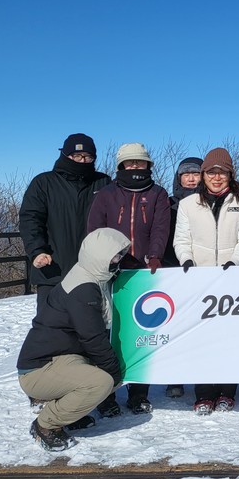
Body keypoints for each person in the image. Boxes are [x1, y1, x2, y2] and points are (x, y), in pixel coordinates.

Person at [16, 228, 131, 452]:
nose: (118, 261)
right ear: (100, 256)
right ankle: (46, 425)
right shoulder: (84, 289)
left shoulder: (88, 273)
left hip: (56, 358)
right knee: (101, 382)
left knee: (97, 372)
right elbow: (92, 337)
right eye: (115, 256)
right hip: (38, 371)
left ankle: (67, 414)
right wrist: (114, 373)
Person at [86, 142, 170, 416]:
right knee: (109, 334)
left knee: (142, 333)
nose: (135, 167)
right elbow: (95, 232)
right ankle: (106, 395)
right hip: (112, 272)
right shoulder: (106, 195)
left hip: (144, 274)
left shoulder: (157, 194)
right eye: (130, 163)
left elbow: (160, 227)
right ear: (121, 166)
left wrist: (155, 254)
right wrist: (105, 259)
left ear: (148, 165)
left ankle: (138, 394)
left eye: (140, 162)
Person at [173, 147, 239, 415]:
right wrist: (187, 261)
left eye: (222, 173)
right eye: (211, 173)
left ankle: (227, 393)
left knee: (229, 338)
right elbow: (181, 239)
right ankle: (204, 394)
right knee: (202, 339)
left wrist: (235, 261)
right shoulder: (187, 204)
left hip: (232, 279)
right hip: (200, 280)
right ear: (204, 175)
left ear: (230, 175)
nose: (216, 178)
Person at [19, 133, 111, 311]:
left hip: (92, 273)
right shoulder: (43, 183)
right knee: (51, 330)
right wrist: (37, 251)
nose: (83, 161)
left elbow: (115, 222)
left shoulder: (103, 183)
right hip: (53, 271)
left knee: (90, 330)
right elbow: (30, 220)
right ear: (65, 155)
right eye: (77, 156)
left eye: (88, 157)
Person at [163, 156, 202, 399]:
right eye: (185, 174)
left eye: (195, 174)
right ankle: (174, 377)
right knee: (175, 327)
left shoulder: (211, 202)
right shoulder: (166, 203)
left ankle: (202, 375)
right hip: (173, 270)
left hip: (203, 270)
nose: (190, 178)